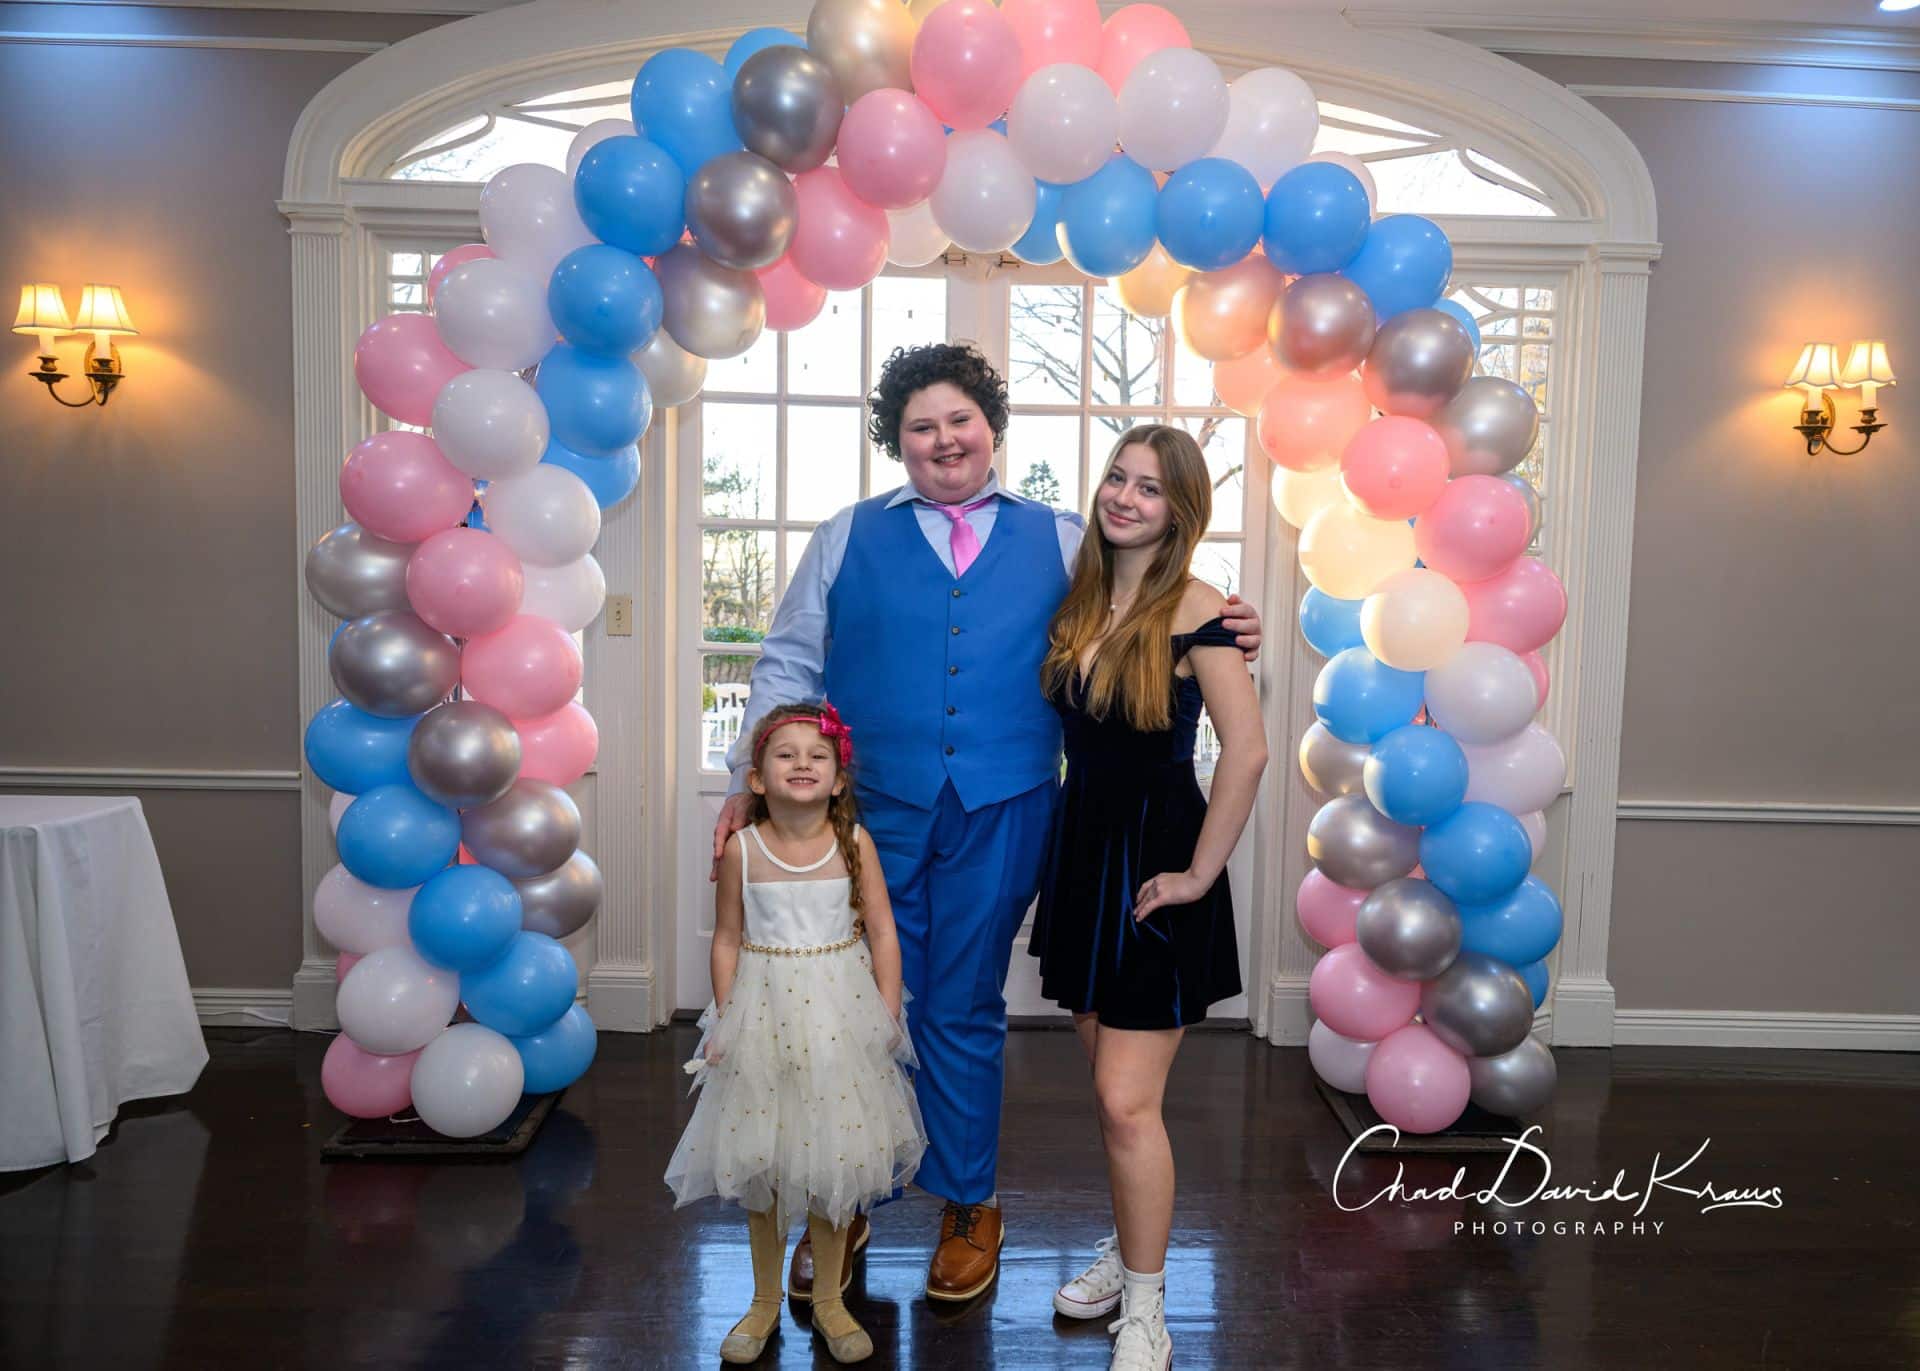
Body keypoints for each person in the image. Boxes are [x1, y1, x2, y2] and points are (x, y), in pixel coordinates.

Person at [711, 342, 1263, 1304]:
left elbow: (1152, 594)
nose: (943, 440)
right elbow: (788, 662)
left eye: (959, 420)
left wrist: (1228, 625)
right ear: (899, 441)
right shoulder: (846, 534)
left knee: (961, 1000)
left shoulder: (1060, 537)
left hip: (1007, 806)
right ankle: (847, 1200)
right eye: (920, 426)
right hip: (871, 813)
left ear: (991, 428)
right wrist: (743, 776)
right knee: (857, 1005)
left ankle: (971, 1201)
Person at [1034, 425, 1268, 1371]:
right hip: (1084, 856)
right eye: (1117, 478)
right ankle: (1127, 1246)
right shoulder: (1081, 594)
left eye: (1150, 488)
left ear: (1181, 510)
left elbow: (1245, 751)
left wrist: (1200, 875)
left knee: (1128, 1103)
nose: (1125, 497)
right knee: (1112, 1095)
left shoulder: (1201, 606)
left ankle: (1148, 1307)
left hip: (1155, 869)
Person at [667, 703, 925, 1365]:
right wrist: (724, 1019)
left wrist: (888, 1012)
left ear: (839, 779)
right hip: (765, 1010)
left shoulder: (854, 843)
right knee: (767, 1159)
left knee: (834, 1158)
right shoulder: (742, 850)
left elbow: (883, 930)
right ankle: (761, 1300)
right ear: (756, 777)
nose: (802, 763)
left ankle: (833, 1298)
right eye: (785, 754)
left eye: (818, 754)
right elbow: (727, 939)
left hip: (840, 1013)